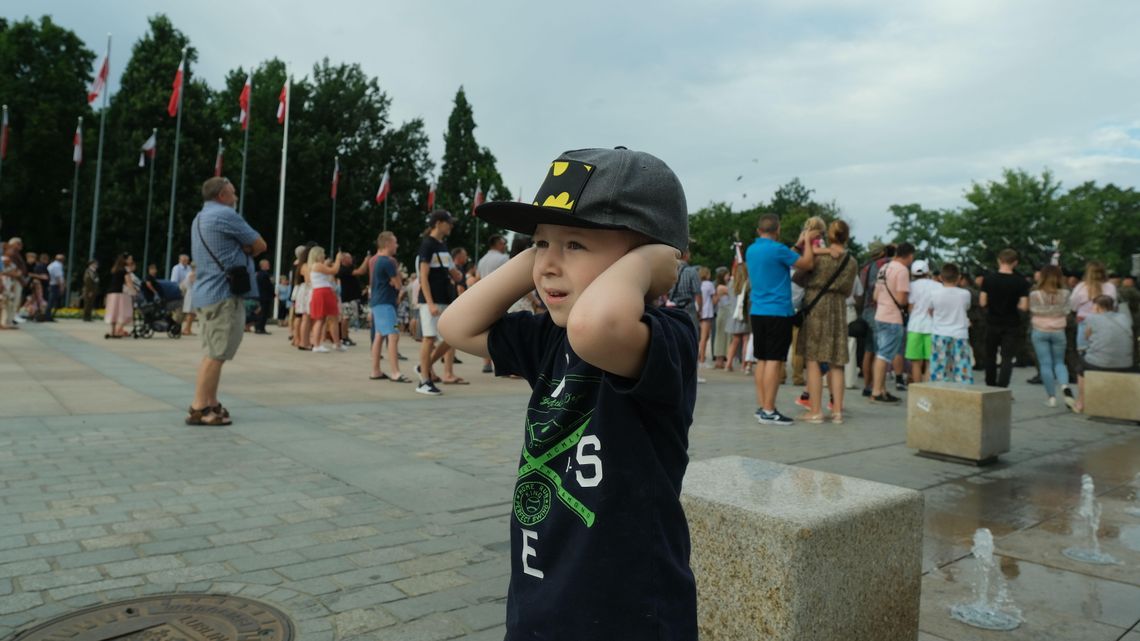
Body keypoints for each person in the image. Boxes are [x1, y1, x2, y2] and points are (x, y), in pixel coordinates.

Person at [439, 147, 698, 639]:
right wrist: (541, 257)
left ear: (648, 260)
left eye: (576, 245)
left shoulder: (667, 336)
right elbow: (456, 324)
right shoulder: (549, 338)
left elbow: (595, 325)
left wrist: (648, 258)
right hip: (540, 599)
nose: (548, 266)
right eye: (539, 243)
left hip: (629, 613)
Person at [186, 176, 267, 426]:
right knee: (216, 353)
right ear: (221, 196)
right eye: (232, 192)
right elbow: (259, 244)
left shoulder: (200, 217)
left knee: (214, 351)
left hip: (207, 292)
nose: (236, 196)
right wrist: (246, 250)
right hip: (223, 295)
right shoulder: (226, 215)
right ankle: (199, 407)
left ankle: (211, 401)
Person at [747, 213, 819, 424]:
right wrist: (806, 241)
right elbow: (807, 264)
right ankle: (770, 410)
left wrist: (796, 245)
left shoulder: (752, 250)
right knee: (774, 361)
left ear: (759, 230)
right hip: (778, 311)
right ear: (777, 230)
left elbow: (786, 257)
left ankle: (762, 406)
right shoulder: (778, 249)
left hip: (758, 311)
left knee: (761, 360)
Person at [797, 220, 857, 424]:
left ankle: (815, 410)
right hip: (838, 308)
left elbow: (798, 277)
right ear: (846, 236)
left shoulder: (817, 257)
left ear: (828, 235)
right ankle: (838, 411)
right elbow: (849, 290)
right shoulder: (851, 260)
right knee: (836, 361)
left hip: (816, 306)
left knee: (813, 359)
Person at [415, 210, 464, 396]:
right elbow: (423, 277)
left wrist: (456, 274)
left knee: (450, 337)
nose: (451, 226)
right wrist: (429, 303)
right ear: (438, 223)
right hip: (431, 300)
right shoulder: (427, 244)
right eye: (448, 222)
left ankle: (424, 367)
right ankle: (424, 381)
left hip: (445, 297)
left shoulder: (443, 245)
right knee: (429, 338)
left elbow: (452, 271)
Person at [1070, 295, 1136, 412]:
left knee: (1080, 366)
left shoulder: (1091, 318)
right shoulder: (1124, 317)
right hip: (1126, 364)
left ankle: (1081, 402)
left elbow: (1086, 337)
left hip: (1100, 363)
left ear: (1097, 307)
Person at [870, 242, 914, 403]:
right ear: (909, 255)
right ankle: (876, 391)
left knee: (881, 353)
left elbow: (875, 295)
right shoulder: (902, 271)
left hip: (880, 315)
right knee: (884, 355)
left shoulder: (884, 268)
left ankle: (881, 389)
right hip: (892, 318)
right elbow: (902, 299)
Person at [980, 249, 1030, 388]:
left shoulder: (988, 279)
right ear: (1015, 263)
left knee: (990, 355)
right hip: (1012, 323)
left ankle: (990, 384)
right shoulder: (1021, 282)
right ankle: (1002, 386)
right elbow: (1024, 306)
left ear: (998, 260)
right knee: (1007, 357)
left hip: (992, 321)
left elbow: (983, 302)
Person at [369, 231, 411, 382]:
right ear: (387, 244)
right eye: (395, 242)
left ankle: (375, 370)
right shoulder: (387, 262)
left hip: (378, 302)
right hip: (386, 304)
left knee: (380, 335)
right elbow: (398, 284)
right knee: (394, 335)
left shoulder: (376, 260)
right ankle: (395, 372)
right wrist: (397, 274)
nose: (397, 245)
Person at [1029, 265, 1071, 407]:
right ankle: (1065, 386)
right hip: (1059, 330)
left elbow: (1033, 309)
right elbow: (1067, 310)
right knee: (1060, 362)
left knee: (1045, 364)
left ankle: (1051, 397)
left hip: (1040, 330)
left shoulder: (1035, 294)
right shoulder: (1065, 293)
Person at [929, 262, 974, 384]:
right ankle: (964, 393)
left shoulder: (934, 294)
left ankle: (938, 393)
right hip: (960, 333)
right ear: (959, 278)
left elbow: (930, 310)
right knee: (962, 367)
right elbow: (966, 308)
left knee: (938, 367)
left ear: (940, 278)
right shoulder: (965, 294)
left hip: (939, 332)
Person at [1069, 260, 1117, 354]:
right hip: (1105, 321)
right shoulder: (1110, 287)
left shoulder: (1081, 287)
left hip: (1084, 320)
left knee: (1083, 350)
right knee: (1102, 350)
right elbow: (1114, 305)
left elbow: (1072, 304)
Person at [306, 246, 346, 352]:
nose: (324, 255)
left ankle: (319, 344)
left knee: (321, 319)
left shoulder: (314, 266)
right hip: (323, 292)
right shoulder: (318, 265)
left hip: (319, 292)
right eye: (322, 253)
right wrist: (338, 259)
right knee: (330, 318)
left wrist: (327, 264)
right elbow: (334, 270)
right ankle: (326, 344)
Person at [905, 259, 938, 384]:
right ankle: (928, 388)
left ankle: (917, 389)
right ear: (927, 271)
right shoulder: (937, 285)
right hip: (932, 327)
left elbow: (910, 308)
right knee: (930, 361)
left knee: (915, 362)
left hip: (915, 327)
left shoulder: (910, 286)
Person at [103, 253, 134, 338]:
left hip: (111, 293)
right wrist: (134, 291)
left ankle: (113, 331)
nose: (131, 261)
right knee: (122, 312)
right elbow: (128, 282)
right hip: (119, 293)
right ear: (125, 260)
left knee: (113, 312)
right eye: (129, 259)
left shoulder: (115, 269)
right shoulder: (124, 270)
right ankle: (118, 330)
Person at [336, 252, 362, 346]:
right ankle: (344, 337)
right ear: (344, 260)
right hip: (347, 297)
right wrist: (367, 261)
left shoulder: (349, 268)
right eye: (349, 258)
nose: (351, 259)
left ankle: (346, 335)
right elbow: (360, 271)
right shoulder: (344, 270)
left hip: (350, 297)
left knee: (348, 318)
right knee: (345, 318)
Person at [711, 268, 732, 369]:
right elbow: (733, 292)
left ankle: (720, 361)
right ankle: (721, 361)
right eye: (727, 275)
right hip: (724, 313)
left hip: (722, 313)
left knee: (721, 337)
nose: (729, 277)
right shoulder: (722, 287)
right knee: (723, 337)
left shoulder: (718, 286)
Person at [697, 266, 716, 367]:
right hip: (707, 313)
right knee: (705, 337)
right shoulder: (709, 284)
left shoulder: (698, 284)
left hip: (699, 313)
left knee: (701, 337)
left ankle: (700, 356)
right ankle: (702, 360)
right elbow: (714, 299)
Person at [253, 259, 273, 335]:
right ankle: (261, 328)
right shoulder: (265, 275)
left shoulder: (258, 274)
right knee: (264, 313)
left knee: (261, 312)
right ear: (263, 265)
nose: (268, 265)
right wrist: (273, 294)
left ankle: (258, 327)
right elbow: (268, 286)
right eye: (267, 264)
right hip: (265, 296)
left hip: (260, 295)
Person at [46, 254, 65, 321]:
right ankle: (48, 316)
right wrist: (61, 287)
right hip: (55, 285)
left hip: (51, 284)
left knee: (51, 301)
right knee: (53, 301)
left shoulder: (51, 265)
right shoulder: (57, 266)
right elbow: (58, 277)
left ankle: (48, 315)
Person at [180, 264, 197, 336]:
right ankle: (187, 329)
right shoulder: (192, 274)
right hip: (191, 294)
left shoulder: (189, 274)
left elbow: (183, 284)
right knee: (190, 313)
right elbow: (194, 283)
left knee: (192, 313)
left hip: (191, 293)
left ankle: (188, 329)